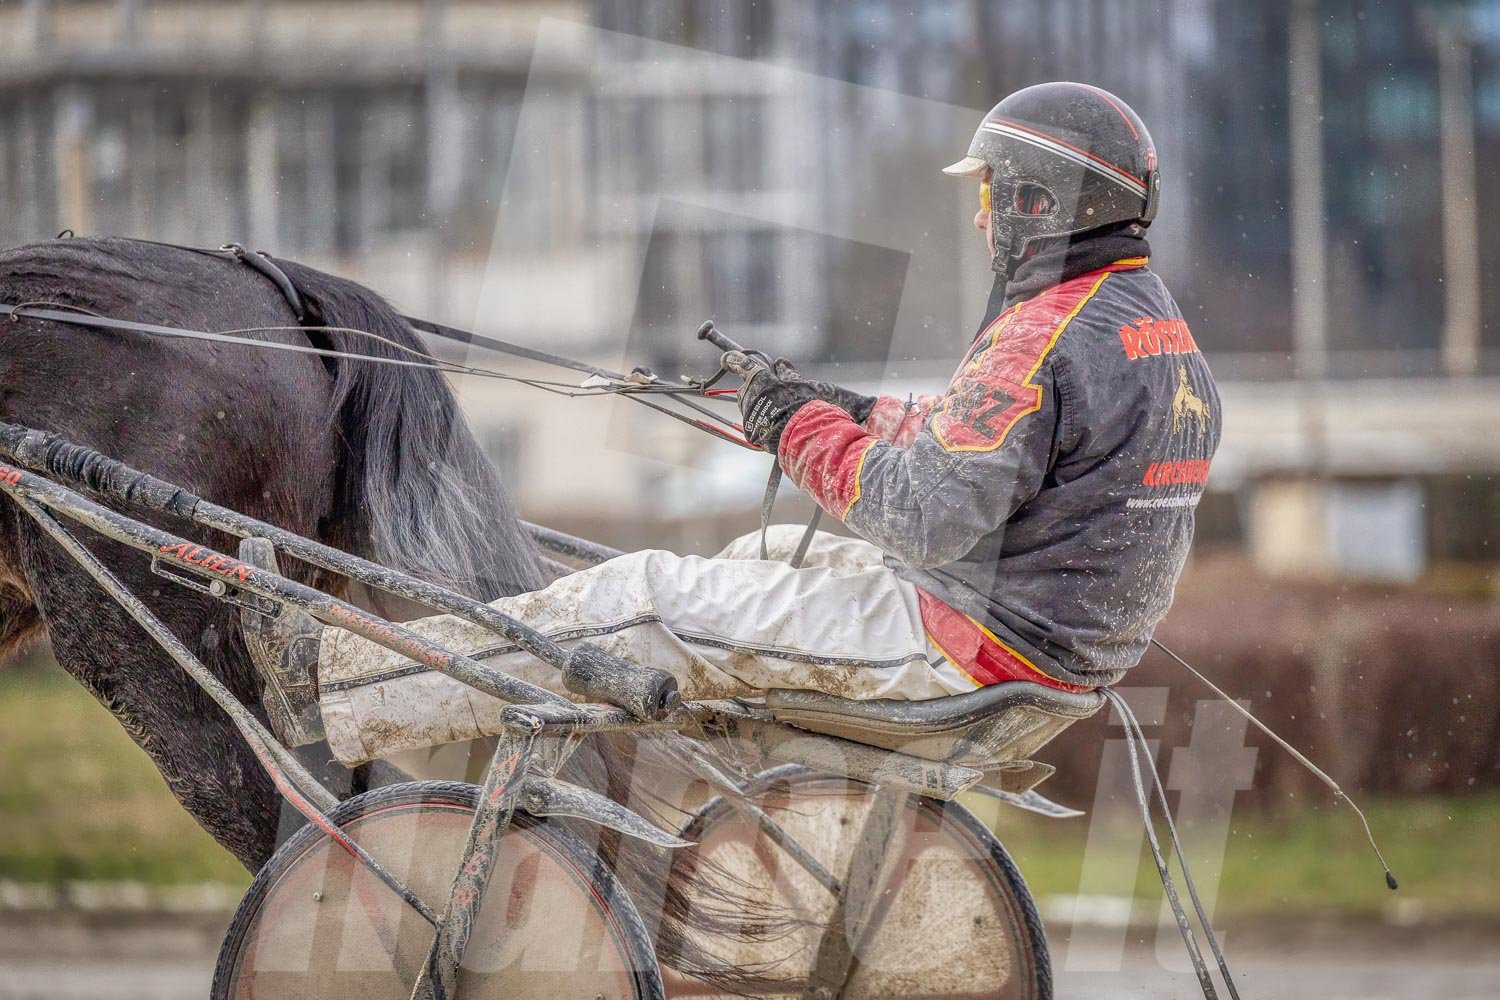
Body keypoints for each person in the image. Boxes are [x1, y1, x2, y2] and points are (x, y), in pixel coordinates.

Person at [246, 82, 1221, 764]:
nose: (978, 220)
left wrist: (794, 429)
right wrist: (842, 408)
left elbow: (920, 513)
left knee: (638, 602)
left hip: (964, 646)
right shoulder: (1147, 326)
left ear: (1033, 200)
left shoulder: (1044, 332)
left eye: (985, 195)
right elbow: (987, 449)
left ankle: (333, 687)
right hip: (1042, 650)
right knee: (760, 555)